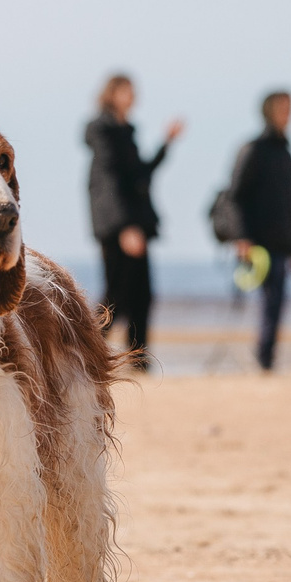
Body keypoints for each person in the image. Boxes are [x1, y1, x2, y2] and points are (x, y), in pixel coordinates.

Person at [84, 73, 183, 369]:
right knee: (116, 297)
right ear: (112, 93)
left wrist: (166, 144)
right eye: (127, 91)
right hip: (118, 226)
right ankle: (87, 355)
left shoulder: (126, 132)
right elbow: (108, 181)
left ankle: (139, 361)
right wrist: (124, 227)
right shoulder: (103, 131)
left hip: (135, 224)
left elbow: (141, 174)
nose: (133, 96)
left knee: (142, 296)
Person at [223, 90, 291, 372]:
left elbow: (290, 203)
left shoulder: (286, 153)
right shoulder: (252, 149)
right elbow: (234, 197)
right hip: (256, 242)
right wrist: (241, 238)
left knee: (277, 303)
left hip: (281, 241)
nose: (288, 114)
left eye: (290, 108)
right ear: (269, 111)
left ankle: (266, 359)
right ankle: (263, 358)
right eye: (283, 108)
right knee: (268, 302)